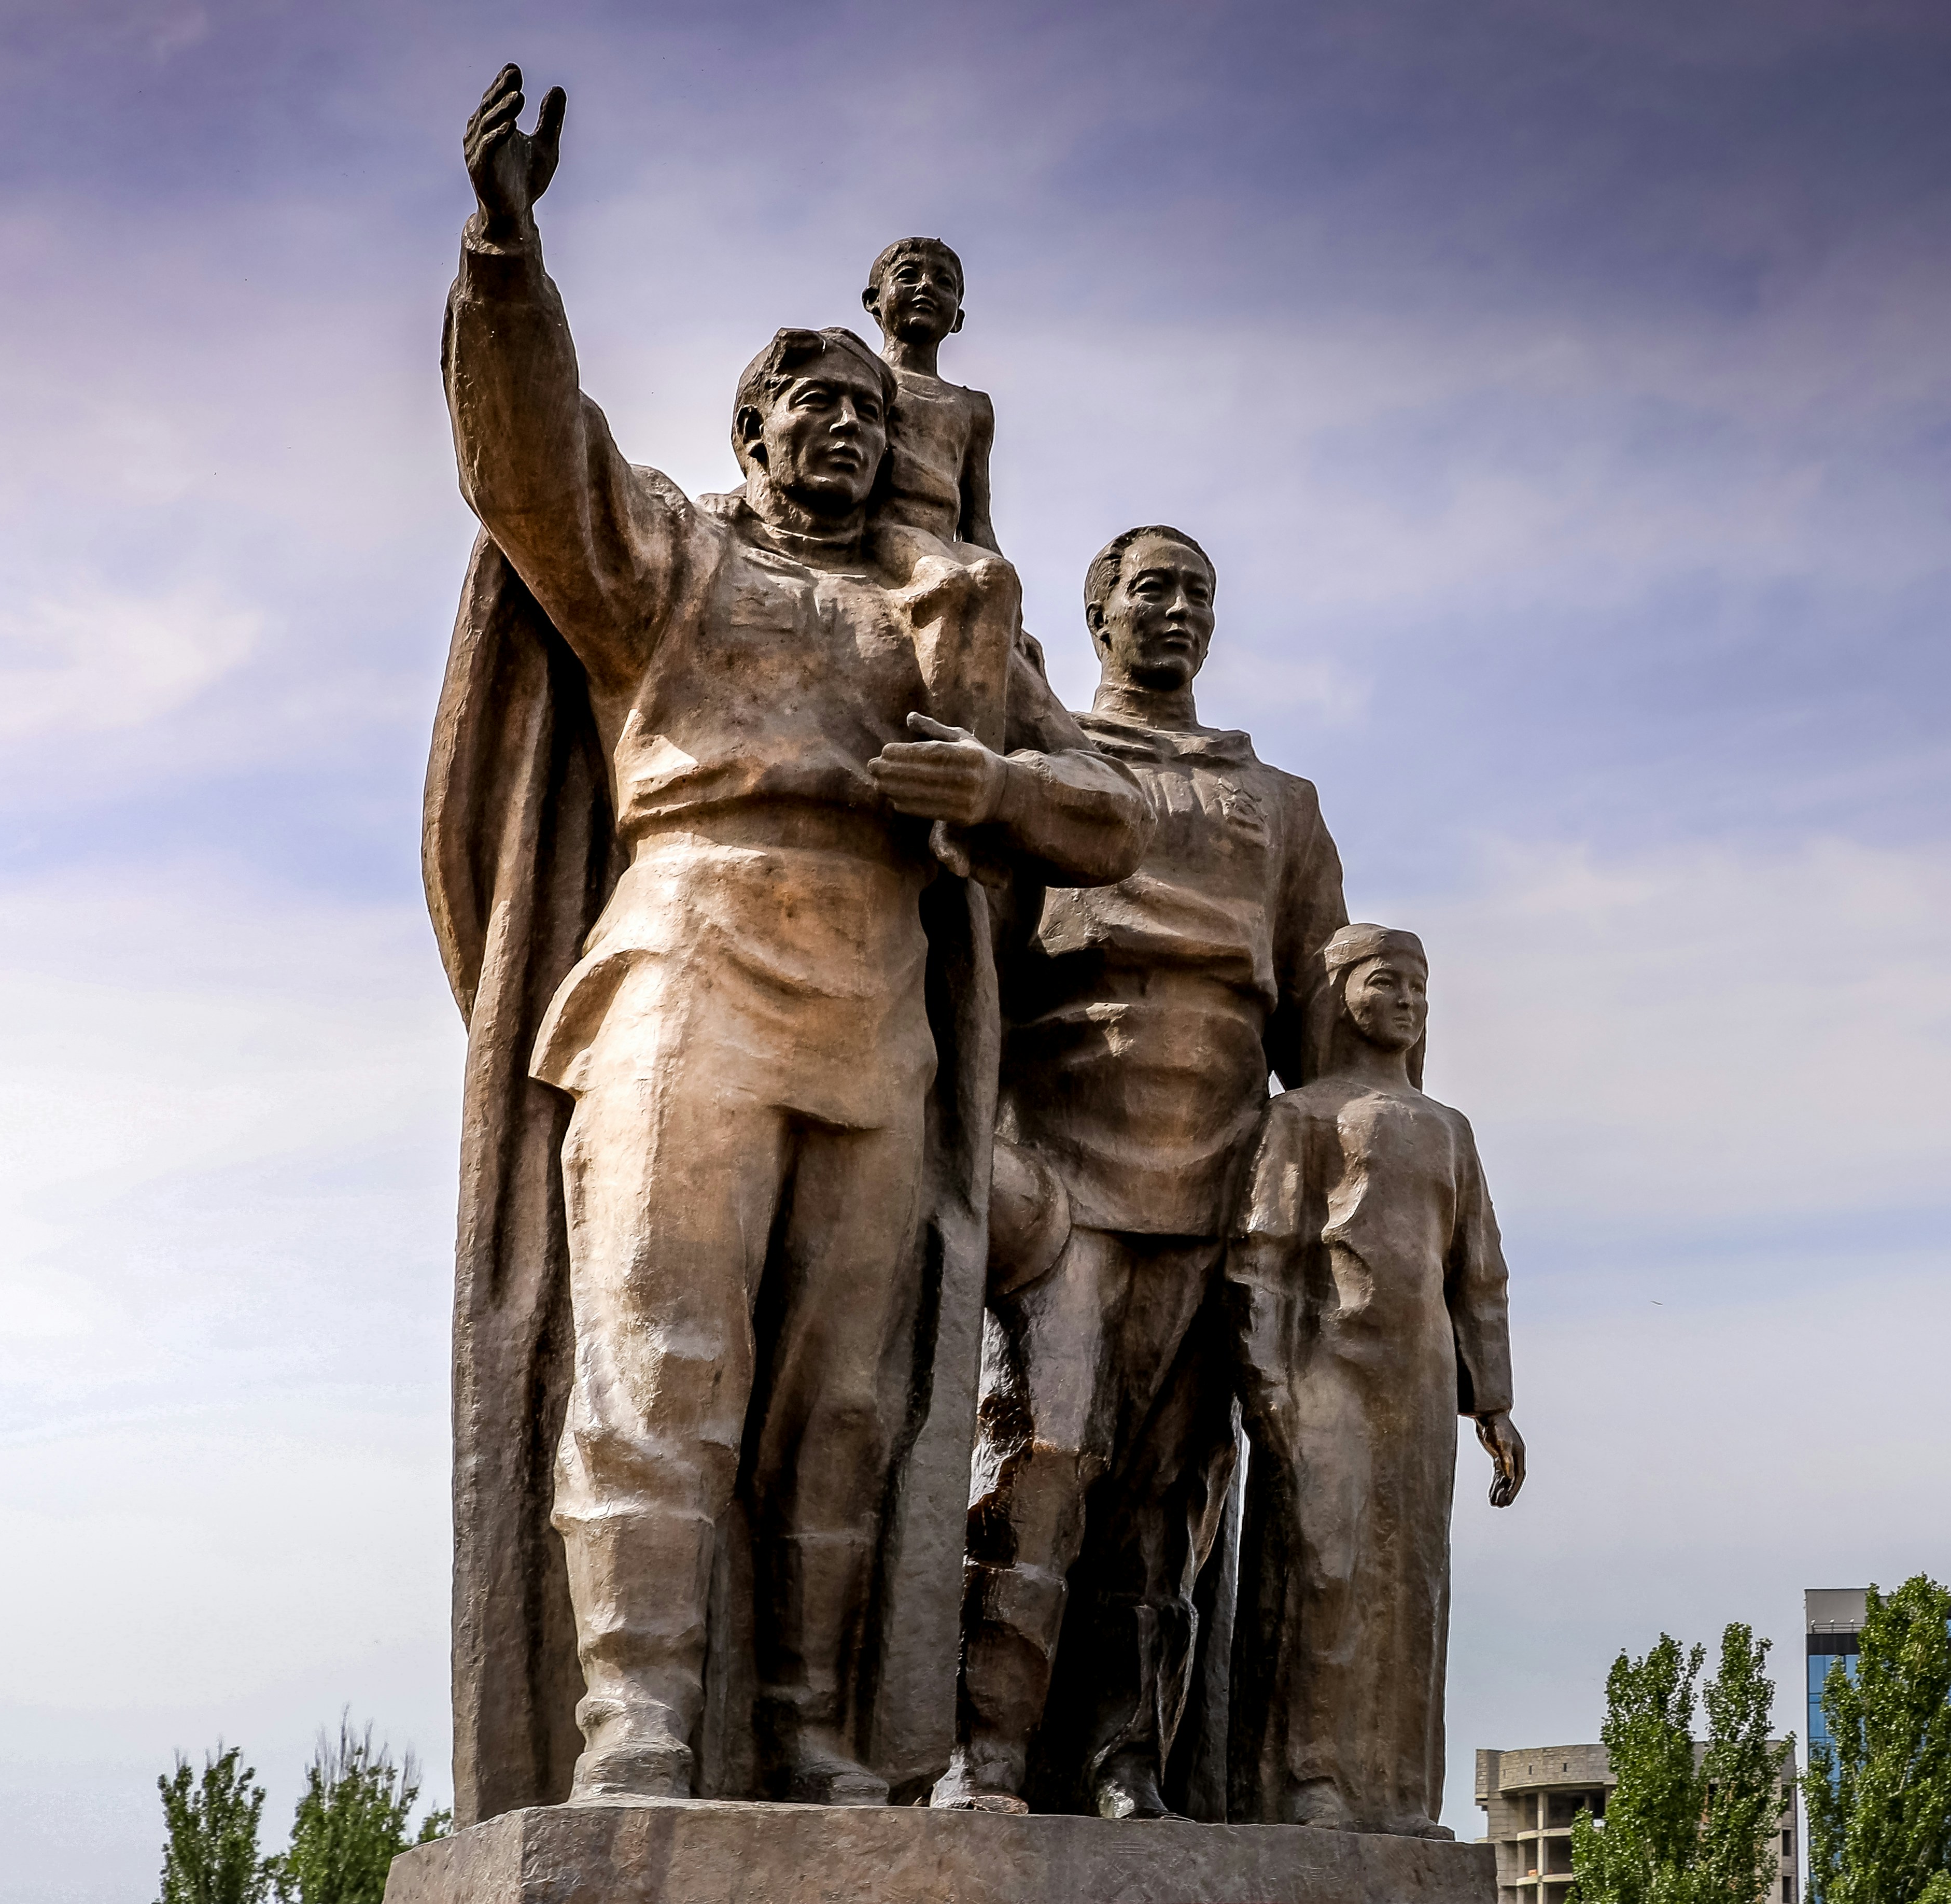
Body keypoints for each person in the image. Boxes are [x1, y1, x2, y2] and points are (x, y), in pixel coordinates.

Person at [426, 65, 1151, 1813]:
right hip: (688, 958)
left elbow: (1107, 820)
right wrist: (508, 254)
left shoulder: (939, 603)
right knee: (662, 1349)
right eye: (803, 408)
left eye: (859, 411)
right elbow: (532, 465)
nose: (838, 430)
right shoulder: (668, 558)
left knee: (846, 1396)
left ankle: (816, 1729)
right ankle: (639, 1719)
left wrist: (993, 783)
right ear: (749, 440)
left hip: (875, 994)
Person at [945, 526, 1350, 1819]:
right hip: (1058, 1159)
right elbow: (967, 956)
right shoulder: (1045, 762)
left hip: (1221, 1173)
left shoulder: (1276, 802)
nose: (1178, 612)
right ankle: (985, 1754)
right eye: (1153, 590)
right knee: (1033, 1457)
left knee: (1169, 1500)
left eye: (1199, 594)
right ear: (1097, 608)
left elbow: (1332, 1028)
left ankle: (1127, 1759)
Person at [1222, 924, 1524, 1837]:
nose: (1407, 1000)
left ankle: (1398, 1793)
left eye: (1421, 987)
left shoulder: (1448, 1130)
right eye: (1386, 980)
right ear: (1341, 993)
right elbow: (1260, 1257)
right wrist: (1266, 1377)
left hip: (1423, 1378)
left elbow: (1480, 1273)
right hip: (1325, 1368)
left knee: (1412, 1580)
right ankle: (1308, 1778)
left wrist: (1496, 1401)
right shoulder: (1301, 1118)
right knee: (1324, 1566)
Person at [858, 236, 1000, 553]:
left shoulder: (974, 408)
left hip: (940, 549)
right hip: (871, 541)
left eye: (944, 282)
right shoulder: (859, 376)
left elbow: (977, 522)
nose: (926, 287)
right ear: (874, 300)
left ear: (958, 320)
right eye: (908, 275)